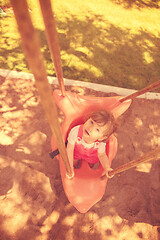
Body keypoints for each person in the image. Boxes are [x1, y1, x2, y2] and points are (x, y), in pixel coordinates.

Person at [66, 110, 117, 179]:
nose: (90, 128)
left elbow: (102, 155)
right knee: (72, 162)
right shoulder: (75, 131)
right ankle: (74, 166)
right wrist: (70, 167)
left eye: (97, 130)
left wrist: (107, 168)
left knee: (90, 166)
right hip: (76, 152)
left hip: (91, 156)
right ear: (88, 119)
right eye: (91, 122)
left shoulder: (101, 143)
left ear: (102, 137)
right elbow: (69, 149)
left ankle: (88, 166)